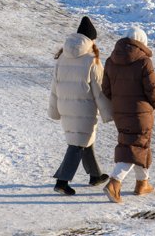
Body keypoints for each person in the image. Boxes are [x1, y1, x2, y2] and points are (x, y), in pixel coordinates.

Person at [48, 16, 113, 196]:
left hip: (66, 107)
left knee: (84, 140)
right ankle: (62, 181)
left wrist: (54, 110)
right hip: (84, 109)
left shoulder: (62, 57)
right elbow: (99, 91)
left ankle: (95, 175)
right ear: (91, 40)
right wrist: (109, 113)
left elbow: (55, 86)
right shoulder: (91, 60)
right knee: (77, 145)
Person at [101, 26, 155, 204]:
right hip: (140, 112)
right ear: (142, 43)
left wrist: (119, 102)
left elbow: (106, 89)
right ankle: (114, 182)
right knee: (134, 147)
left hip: (120, 111)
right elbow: (152, 88)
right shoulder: (144, 61)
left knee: (138, 144)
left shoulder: (111, 60)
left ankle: (143, 183)